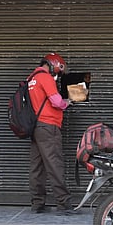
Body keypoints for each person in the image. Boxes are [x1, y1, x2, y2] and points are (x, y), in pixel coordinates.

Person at [27, 52, 75, 215]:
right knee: (55, 164)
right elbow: (56, 101)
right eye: (59, 71)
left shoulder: (31, 78)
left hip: (36, 127)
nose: (58, 75)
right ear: (54, 64)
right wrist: (66, 102)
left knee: (37, 167)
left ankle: (37, 204)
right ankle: (63, 203)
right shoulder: (45, 77)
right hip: (48, 126)